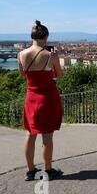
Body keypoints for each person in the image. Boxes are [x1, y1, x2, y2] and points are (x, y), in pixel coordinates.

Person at [18, 20, 63, 181]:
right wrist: (54, 59)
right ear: (45, 37)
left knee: (30, 134)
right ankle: (48, 170)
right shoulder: (50, 55)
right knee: (47, 137)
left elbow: (23, 75)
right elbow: (59, 75)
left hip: (31, 98)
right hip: (47, 99)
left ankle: (30, 171)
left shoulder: (21, 55)